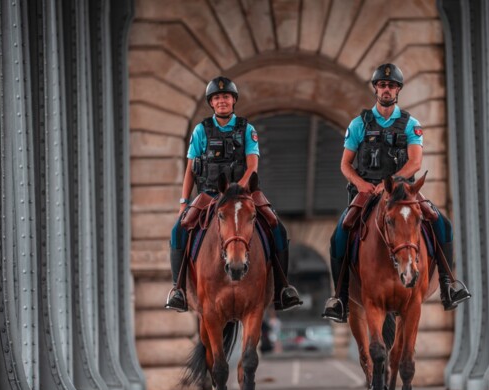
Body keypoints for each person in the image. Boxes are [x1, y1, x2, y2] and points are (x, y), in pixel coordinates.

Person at [321, 63, 472, 323]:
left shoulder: (411, 124)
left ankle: (448, 284)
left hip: (403, 192)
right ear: (376, 89)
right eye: (382, 85)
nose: (386, 89)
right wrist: (360, 183)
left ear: (398, 89)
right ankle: (341, 297)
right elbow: (345, 164)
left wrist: (391, 183)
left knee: (441, 222)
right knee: (340, 233)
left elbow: (415, 162)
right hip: (367, 190)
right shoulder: (359, 124)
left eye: (391, 85)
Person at [165, 76, 303, 313]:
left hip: (243, 193)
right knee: (178, 229)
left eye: (226, 97)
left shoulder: (247, 130)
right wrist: (184, 202)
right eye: (217, 98)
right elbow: (190, 170)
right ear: (211, 103)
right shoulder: (201, 130)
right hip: (209, 193)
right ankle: (178, 289)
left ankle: (283, 287)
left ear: (233, 100)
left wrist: (236, 189)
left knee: (276, 226)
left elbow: (252, 167)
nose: (221, 101)